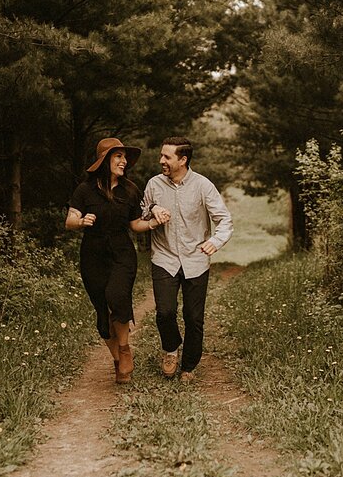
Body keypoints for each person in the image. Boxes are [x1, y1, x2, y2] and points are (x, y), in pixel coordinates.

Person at [139, 136, 233, 382]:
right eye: (161, 155)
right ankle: (171, 349)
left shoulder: (203, 186)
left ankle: (189, 366)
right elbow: (140, 211)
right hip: (164, 257)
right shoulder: (154, 185)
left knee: (194, 318)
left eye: (167, 157)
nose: (161, 161)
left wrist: (215, 241)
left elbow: (224, 220)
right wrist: (152, 210)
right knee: (165, 312)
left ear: (183, 160)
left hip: (196, 259)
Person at [66, 137, 155, 384]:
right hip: (92, 254)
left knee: (117, 296)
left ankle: (125, 349)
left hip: (122, 252)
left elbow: (135, 224)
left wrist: (152, 223)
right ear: (105, 161)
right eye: (118, 156)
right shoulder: (85, 190)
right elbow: (69, 220)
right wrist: (81, 222)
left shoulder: (130, 190)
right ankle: (117, 360)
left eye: (125, 157)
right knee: (102, 314)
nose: (124, 161)